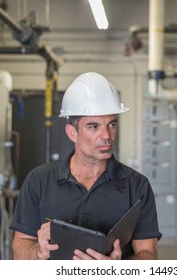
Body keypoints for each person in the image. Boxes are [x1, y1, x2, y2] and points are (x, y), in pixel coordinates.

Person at [9, 72, 162, 260]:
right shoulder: (39, 180)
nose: (106, 135)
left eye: (111, 124)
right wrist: (38, 252)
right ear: (72, 133)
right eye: (93, 126)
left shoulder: (137, 185)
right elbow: (20, 248)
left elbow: (148, 254)